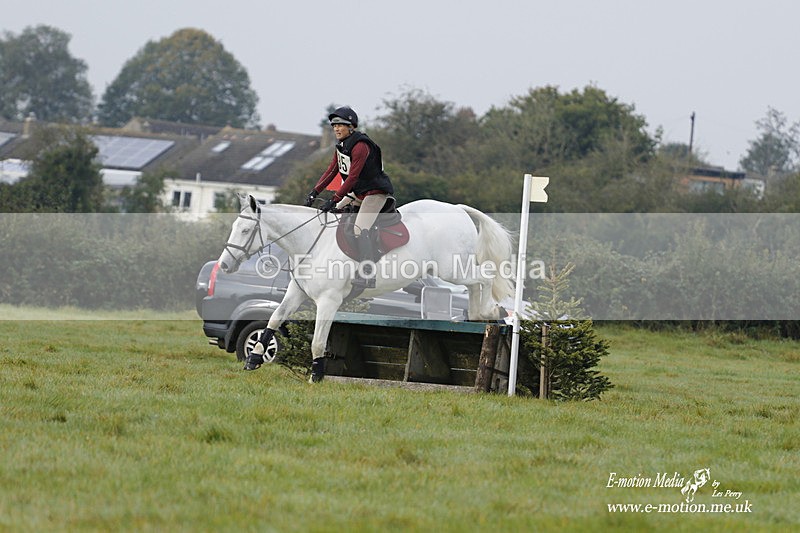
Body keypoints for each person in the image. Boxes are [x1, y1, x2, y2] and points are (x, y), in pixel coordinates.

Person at [304, 105, 394, 288]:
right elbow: (331, 172)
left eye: (340, 125)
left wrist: (334, 199)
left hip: (375, 192)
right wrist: (314, 192)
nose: (336, 129)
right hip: (359, 191)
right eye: (334, 126)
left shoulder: (360, 146)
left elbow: (352, 177)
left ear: (351, 127)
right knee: (331, 216)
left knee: (360, 229)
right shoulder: (342, 146)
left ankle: (368, 273)